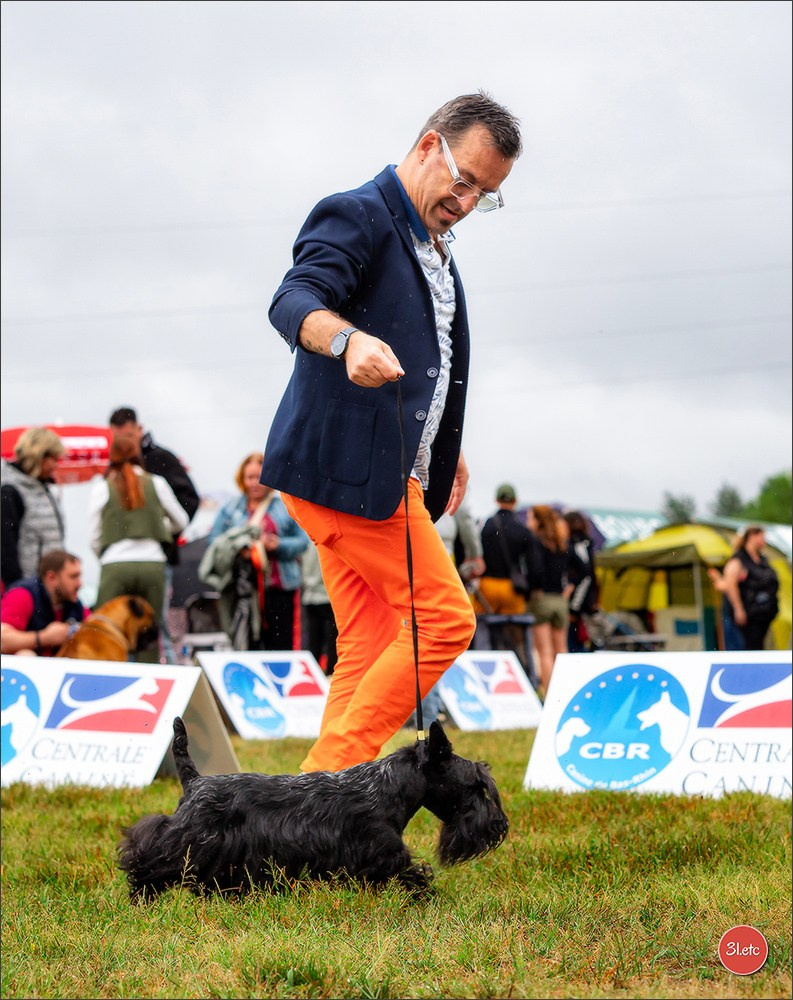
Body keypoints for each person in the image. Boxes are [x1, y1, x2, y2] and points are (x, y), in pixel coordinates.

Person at [261, 92, 522, 772]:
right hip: (349, 476)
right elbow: (293, 299)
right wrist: (346, 340)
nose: (466, 202)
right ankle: (318, 802)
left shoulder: (432, 243)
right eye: (464, 180)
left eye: (484, 196)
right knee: (445, 620)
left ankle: (310, 808)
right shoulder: (358, 212)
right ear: (429, 144)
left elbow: (422, 365)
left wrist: (440, 445)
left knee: (371, 643)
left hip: (370, 474)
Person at [109, 407, 200, 662]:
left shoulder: (161, 461)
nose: (125, 442)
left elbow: (187, 502)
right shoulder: (112, 473)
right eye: (119, 437)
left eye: (128, 435)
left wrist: (160, 531)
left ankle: (170, 687)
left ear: (139, 430)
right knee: (122, 627)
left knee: (155, 629)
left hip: (155, 558)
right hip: (128, 560)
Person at [88, 434, 189, 662]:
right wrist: (158, 528)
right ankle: (147, 684)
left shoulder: (102, 488)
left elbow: (93, 536)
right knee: (149, 636)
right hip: (152, 564)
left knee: (105, 631)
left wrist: (105, 556)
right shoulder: (157, 483)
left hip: (114, 565)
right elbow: (180, 521)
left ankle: (105, 685)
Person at [205, 452, 309, 651]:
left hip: (280, 589)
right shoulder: (229, 509)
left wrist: (277, 545)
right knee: (246, 645)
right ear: (242, 479)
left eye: (259, 478)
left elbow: (303, 541)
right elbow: (215, 542)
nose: (255, 483)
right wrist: (238, 549)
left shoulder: (284, 508)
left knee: (280, 644)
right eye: (250, 477)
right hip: (243, 591)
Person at [418, 500, 486, 726]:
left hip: (403, 548)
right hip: (435, 552)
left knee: (413, 635)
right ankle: (428, 714)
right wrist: (475, 553)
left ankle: (418, 712)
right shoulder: (446, 467)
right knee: (433, 635)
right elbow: (464, 513)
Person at [472, 483, 536, 674]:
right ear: (515, 501)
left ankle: (481, 669)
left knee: (482, 629)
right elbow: (532, 564)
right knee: (515, 635)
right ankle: (518, 673)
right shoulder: (522, 530)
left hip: (487, 585)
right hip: (512, 589)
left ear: (497, 500)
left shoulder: (486, 525)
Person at [1, 427, 66, 591]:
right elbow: (5, 546)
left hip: (46, 587)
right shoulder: (10, 491)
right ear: (40, 456)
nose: (56, 465)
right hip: (28, 588)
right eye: (54, 459)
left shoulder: (41, 487)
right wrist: (17, 588)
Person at [1, 549, 89, 656]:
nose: (80, 584)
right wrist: (43, 638)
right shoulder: (22, 595)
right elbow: (2, 640)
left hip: (56, 669)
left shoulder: (74, 604)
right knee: (25, 654)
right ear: (51, 578)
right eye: (73, 577)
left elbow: (96, 629)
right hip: (20, 669)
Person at [526, 505, 573, 696]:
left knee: (544, 652)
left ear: (538, 521)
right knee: (562, 650)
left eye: (530, 518)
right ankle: (567, 691)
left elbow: (535, 570)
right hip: (560, 601)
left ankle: (551, 695)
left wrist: (532, 588)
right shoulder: (561, 542)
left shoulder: (536, 542)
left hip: (542, 598)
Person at [708, 525, 780, 650]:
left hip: (762, 617)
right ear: (752, 536)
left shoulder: (762, 560)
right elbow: (730, 585)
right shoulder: (738, 560)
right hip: (745, 618)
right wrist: (738, 609)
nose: (765, 541)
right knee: (744, 648)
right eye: (762, 537)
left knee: (757, 647)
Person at [563, 510, 600, 653]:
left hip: (579, 604)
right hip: (585, 601)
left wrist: (574, 607)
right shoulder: (585, 543)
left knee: (575, 642)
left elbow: (586, 575)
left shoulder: (577, 544)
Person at [300, 539, 338, 674]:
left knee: (312, 641)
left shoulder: (306, 543)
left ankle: (312, 675)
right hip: (326, 597)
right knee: (332, 640)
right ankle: (331, 672)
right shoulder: (328, 544)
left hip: (310, 596)